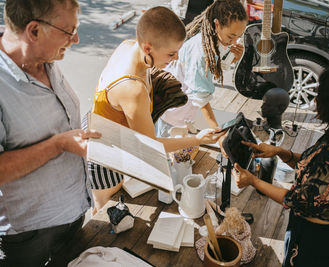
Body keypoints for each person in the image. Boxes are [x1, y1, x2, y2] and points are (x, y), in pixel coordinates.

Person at [234, 65, 329, 267]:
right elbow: (316, 165)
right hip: (309, 227)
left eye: (320, 96)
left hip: (318, 242)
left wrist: (253, 180)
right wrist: (280, 152)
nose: (315, 101)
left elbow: (297, 199)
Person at [88, 6, 225, 214]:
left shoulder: (129, 46)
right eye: (171, 53)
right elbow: (149, 147)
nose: (177, 58)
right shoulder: (132, 89)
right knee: (105, 212)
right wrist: (197, 140)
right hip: (105, 152)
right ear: (148, 47)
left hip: (114, 137)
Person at [0, 0, 101, 266]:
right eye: (69, 31)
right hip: (29, 237)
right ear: (33, 31)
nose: (76, 39)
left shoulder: (43, 56)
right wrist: (58, 145)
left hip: (72, 215)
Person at [157, 0, 248, 147]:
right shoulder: (199, 51)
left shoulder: (217, 38)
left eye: (239, 36)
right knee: (164, 149)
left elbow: (218, 64)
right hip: (171, 108)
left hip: (185, 104)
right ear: (217, 24)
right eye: (231, 37)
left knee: (181, 147)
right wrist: (217, 133)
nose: (234, 42)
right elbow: (201, 97)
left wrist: (234, 58)